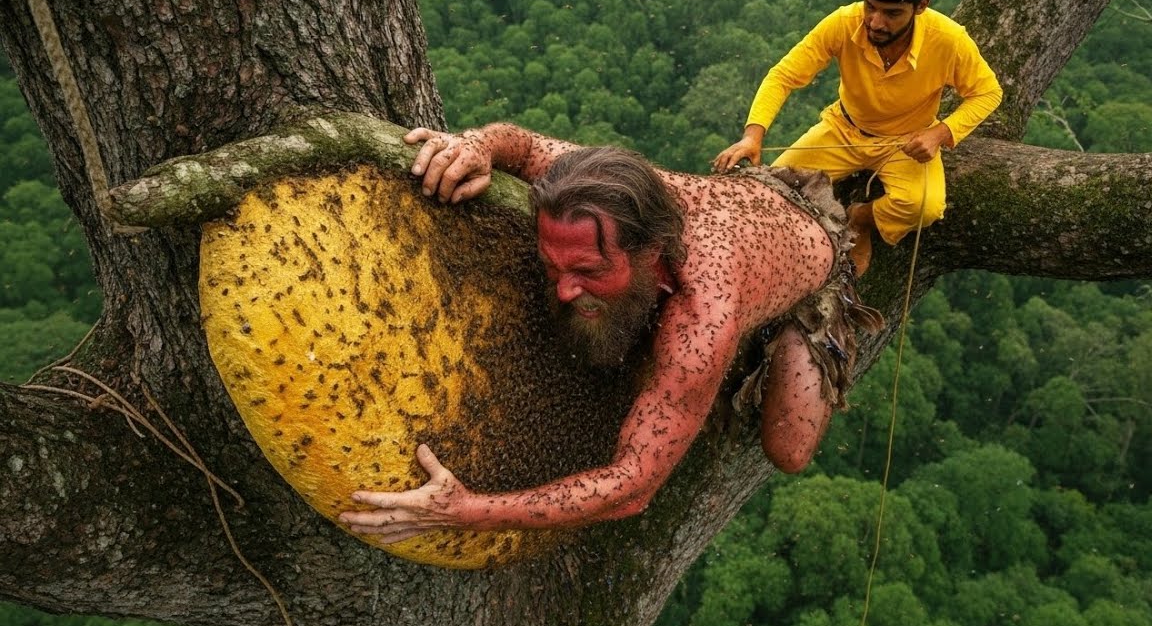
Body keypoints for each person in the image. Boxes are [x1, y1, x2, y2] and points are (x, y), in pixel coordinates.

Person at [338, 122, 884, 537]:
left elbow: (632, 486)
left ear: (651, 255)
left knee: (788, 450)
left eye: (588, 271)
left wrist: (466, 511)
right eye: (555, 267)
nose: (564, 291)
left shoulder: (703, 318)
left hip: (815, 271)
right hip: (756, 193)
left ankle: (784, 329)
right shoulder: (597, 191)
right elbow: (524, 148)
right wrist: (476, 145)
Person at [712, 0, 1003, 277]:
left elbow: (988, 92)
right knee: (773, 193)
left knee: (925, 207)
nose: (876, 22)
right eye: (870, 6)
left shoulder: (948, 40)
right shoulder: (844, 22)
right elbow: (783, 76)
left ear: (921, 6)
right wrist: (753, 135)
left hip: (904, 141)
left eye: (892, 13)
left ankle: (861, 218)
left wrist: (940, 133)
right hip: (842, 131)